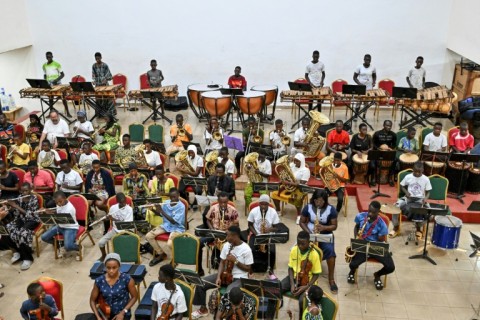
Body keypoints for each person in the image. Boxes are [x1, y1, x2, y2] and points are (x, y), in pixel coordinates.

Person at [191, 225, 253, 319]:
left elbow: (248, 268)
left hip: (239, 278)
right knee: (201, 283)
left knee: (229, 293)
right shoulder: (226, 245)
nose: (226, 238)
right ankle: (203, 309)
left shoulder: (246, 249)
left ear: (235, 236)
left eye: (228, 236)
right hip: (225, 275)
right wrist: (218, 277)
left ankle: (226, 315)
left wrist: (235, 261)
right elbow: (221, 262)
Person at [347, 201, 395, 291]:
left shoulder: (382, 224)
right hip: (362, 245)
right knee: (352, 264)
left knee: (390, 267)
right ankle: (352, 271)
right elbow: (356, 227)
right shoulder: (361, 216)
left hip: (375, 247)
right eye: (369, 210)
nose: (370, 214)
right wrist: (357, 237)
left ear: (378, 212)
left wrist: (381, 236)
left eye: (373, 212)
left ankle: (377, 275)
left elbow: (382, 240)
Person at [299, 189, 338, 293]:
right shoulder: (308, 207)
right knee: (302, 248)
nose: (318, 203)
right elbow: (301, 222)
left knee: (331, 253)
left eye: (321, 201)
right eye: (316, 201)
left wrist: (324, 228)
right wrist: (309, 232)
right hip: (310, 233)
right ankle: (302, 274)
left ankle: (331, 279)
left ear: (325, 200)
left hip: (325, 234)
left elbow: (334, 226)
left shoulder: (331, 209)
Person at [280, 231, 322, 320]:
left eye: (303, 244)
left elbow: (316, 274)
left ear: (309, 242)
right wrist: (292, 284)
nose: (300, 246)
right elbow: (290, 268)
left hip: (308, 281)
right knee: (278, 287)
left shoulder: (314, 255)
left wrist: (306, 287)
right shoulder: (294, 250)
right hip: (295, 277)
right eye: (298, 243)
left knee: (302, 301)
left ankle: (301, 318)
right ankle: (271, 312)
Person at [197, 191, 239, 276]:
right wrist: (212, 229)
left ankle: (228, 270)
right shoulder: (213, 208)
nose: (223, 204)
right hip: (215, 232)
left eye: (225, 202)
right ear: (218, 201)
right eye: (221, 202)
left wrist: (229, 230)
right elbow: (207, 219)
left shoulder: (233, 210)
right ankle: (199, 269)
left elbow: (236, 223)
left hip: (227, 234)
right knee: (199, 243)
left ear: (228, 201)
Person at [0, 183, 40, 270]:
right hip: (21, 218)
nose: (25, 193)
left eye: (26, 190)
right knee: (6, 229)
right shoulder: (20, 197)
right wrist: (9, 207)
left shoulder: (34, 199)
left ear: (30, 190)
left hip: (33, 220)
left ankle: (27, 258)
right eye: (23, 191)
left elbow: (31, 215)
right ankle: (17, 250)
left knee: (23, 233)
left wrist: (16, 206)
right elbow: (16, 213)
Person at [391, 161, 432, 239]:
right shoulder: (408, 176)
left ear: (422, 170)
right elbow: (402, 186)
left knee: (429, 212)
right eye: (415, 171)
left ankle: (418, 228)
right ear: (413, 169)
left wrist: (425, 199)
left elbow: (428, 192)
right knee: (395, 207)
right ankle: (395, 227)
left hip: (420, 199)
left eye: (419, 172)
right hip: (408, 198)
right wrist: (406, 192)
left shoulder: (426, 179)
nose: (417, 173)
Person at [89, 253, 137, 319]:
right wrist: (98, 317)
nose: (111, 271)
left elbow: (134, 297)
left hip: (122, 314)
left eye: (114, 268)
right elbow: (92, 300)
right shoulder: (99, 280)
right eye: (108, 268)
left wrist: (123, 312)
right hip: (105, 313)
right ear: (105, 267)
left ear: (119, 266)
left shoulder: (127, 279)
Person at [146, 188, 186, 266]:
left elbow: (173, 221)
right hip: (166, 225)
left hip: (177, 228)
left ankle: (175, 259)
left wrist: (161, 211)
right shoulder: (166, 203)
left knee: (169, 244)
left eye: (174, 197)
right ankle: (161, 254)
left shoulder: (181, 206)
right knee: (148, 236)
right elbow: (160, 214)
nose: (173, 199)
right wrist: (153, 209)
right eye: (171, 197)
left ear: (178, 195)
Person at [41, 191, 81, 260]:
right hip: (60, 226)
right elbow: (59, 212)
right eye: (57, 202)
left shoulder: (70, 208)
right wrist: (48, 211)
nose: (59, 204)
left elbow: (62, 218)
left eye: (60, 202)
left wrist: (50, 215)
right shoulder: (59, 203)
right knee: (44, 237)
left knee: (68, 246)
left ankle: (79, 247)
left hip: (70, 227)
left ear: (65, 198)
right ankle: (61, 246)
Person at [271, 153, 310, 223]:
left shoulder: (306, 170)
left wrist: (288, 183)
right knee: (274, 194)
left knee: (297, 198)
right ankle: (278, 210)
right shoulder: (292, 165)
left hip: (300, 189)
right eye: (294, 160)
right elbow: (286, 175)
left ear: (302, 162)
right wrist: (282, 179)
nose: (295, 163)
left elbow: (301, 184)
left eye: (297, 161)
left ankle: (299, 215)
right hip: (289, 186)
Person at [247, 194, 280, 272]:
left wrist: (269, 229)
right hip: (256, 234)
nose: (263, 206)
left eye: (265, 204)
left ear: (268, 204)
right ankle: (251, 268)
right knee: (251, 249)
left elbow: (277, 227)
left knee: (271, 251)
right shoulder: (254, 211)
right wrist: (256, 234)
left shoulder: (273, 212)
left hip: (268, 235)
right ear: (259, 204)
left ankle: (270, 269)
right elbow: (250, 225)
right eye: (262, 204)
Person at [97, 193, 133, 261]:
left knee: (120, 244)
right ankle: (104, 255)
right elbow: (109, 217)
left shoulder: (129, 209)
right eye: (121, 203)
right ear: (117, 201)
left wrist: (113, 219)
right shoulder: (113, 207)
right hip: (115, 230)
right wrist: (106, 219)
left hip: (126, 230)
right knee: (101, 243)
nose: (124, 204)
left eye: (125, 202)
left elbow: (126, 224)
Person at [43, 51, 71, 118]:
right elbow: (45, 75)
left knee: (63, 98)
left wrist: (56, 80)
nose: (48, 58)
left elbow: (62, 74)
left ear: (52, 56)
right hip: (49, 84)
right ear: (46, 57)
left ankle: (68, 113)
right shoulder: (44, 65)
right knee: (50, 99)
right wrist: (45, 81)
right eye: (47, 57)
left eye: (49, 56)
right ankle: (51, 113)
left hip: (57, 83)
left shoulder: (57, 64)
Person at [177, 145, 204, 210]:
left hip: (197, 178)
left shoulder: (199, 159)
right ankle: (187, 202)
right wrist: (179, 167)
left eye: (192, 152)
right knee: (180, 190)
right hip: (186, 177)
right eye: (189, 152)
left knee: (198, 190)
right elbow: (181, 167)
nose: (190, 154)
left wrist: (185, 171)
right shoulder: (185, 157)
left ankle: (195, 203)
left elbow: (196, 173)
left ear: (195, 152)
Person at [372, 120, 397, 186]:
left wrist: (390, 149)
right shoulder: (377, 134)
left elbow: (394, 145)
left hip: (388, 152)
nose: (388, 127)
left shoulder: (393, 135)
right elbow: (373, 144)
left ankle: (390, 178)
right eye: (387, 125)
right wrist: (378, 148)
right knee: (373, 162)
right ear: (383, 125)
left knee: (395, 160)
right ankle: (373, 178)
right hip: (378, 151)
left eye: (390, 126)